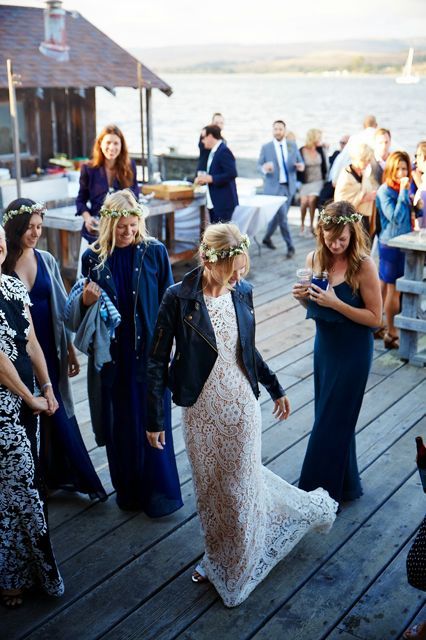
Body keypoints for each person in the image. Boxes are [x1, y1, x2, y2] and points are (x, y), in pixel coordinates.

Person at [146, 222, 337, 607]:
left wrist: (275, 386)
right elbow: (155, 362)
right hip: (199, 408)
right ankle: (216, 556)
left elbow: (247, 348)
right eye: (231, 269)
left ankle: (240, 563)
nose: (237, 277)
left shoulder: (243, 292)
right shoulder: (177, 298)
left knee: (239, 489)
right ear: (207, 260)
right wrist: (154, 418)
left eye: (241, 269)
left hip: (240, 408)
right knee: (210, 491)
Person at [66, 189, 183, 514]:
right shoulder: (93, 257)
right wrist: (86, 302)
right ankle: (128, 493)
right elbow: (78, 310)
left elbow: (169, 300)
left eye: (133, 225)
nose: (128, 232)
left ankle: (159, 495)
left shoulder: (154, 251)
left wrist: (171, 346)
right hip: (113, 358)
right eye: (122, 227)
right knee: (121, 426)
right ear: (108, 223)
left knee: (151, 420)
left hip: (150, 354)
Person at [2, 198, 107, 500]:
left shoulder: (46, 259)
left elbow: (63, 310)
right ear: (15, 227)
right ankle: (37, 480)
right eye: (29, 228)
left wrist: (71, 351)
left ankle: (74, 479)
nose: (35, 233)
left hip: (50, 346)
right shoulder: (4, 262)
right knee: (29, 411)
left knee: (57, 410)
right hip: (18, 352)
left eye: (39, 227)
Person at [293, 201, 382, 506]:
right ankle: (346, 485)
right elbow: (317, 308)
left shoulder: (364, 265)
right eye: (330, 239)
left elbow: (375, 319)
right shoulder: (315, 259)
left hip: (354, 350)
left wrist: (336, 304)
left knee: (331, 420)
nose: (336, 245)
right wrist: (305, 299)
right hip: (325, 348)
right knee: (331, 417)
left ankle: (316, 493)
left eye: (342, 239)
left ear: (353, 232)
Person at [0, 223, 63, 608]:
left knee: (18, 490)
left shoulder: (12, 286)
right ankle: (29, 574)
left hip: (28, 404)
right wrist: (29, 397)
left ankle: (16, 576)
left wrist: (48, 389)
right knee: (19, 490)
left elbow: (32, 341)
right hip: (4, 406)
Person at [75, 124, 139, 273]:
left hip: (122, 232)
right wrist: (87, 218)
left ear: (121, 145)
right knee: (92, 274)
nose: (112, 147)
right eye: (108, 142)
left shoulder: (130, 167)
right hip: (96, 230)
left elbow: (135, 199)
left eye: (116, 143)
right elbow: (80, 200)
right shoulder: (88, 168)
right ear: (100, 144)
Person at [376, 151, 413, 349]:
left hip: (403, 243)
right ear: (390, 169)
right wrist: (403, 193)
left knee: (384, 286)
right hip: (391, 244)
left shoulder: (404, 188)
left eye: (404, 168)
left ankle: (378, 325)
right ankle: (391, 332)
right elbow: (395, 218)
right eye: (397, 168)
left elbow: (410, 214)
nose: (401, 172)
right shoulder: (385, 191)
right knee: (393, 289)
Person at [258, 120, 305, 258]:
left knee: (277, 218)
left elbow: (300, 161)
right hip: (274, 189)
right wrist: (264, 168)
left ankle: (266, 238)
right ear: (273, 131)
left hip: (288, 187)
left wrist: (301, 166)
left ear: (284, 131)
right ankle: (290, 247)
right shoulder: (266, 147)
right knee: (283, 217)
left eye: (280, 129)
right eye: (275, 129)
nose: (278, 131)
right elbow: (259, 166)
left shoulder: (292, 145)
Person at [194, 124, 238, 223]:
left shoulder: (223, 151)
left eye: (203, 137)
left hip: (223, 203)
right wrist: (205, 179)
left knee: (221, 235)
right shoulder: (213, 151)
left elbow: (232, 173)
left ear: (210, 137)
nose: (202, 141)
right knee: (216, 235)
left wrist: (211, 179)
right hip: (214, 202)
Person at [334, 142, 378, 236]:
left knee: (366, 247)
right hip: (351, 220)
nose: (368, 163)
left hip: (364, 218)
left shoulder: (362, 174)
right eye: (365, 160)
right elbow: (341, 201)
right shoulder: (346, 176)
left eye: (369, 160)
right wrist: (363, 198)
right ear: (359, 158)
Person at [329, 114, 378, 186]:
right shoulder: (383, 137)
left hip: (358, 176)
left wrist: (334, 179)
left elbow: (342, 159)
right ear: (376, 125)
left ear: (364, 125)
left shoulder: (355, 138)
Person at [298, 128, 328, 235]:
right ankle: (302, 224)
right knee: (303, 202)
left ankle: (311, 226)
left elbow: (326, 165)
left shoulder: (320, 149)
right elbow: (296, 163)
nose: (320, 139)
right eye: (319, 137)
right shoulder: (302, 150)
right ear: (313, 137)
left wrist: (326, 149)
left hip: (318, 182)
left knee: (311, 201)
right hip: (305, 182)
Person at [318, 134, 350, 208]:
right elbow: (327, 162)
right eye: (340, 142)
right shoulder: (337, 153)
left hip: (340, 183)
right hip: (331, 181)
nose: (341, 145)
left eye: (344, 143)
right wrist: (325, 149)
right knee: (322, 200)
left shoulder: (349, 156)